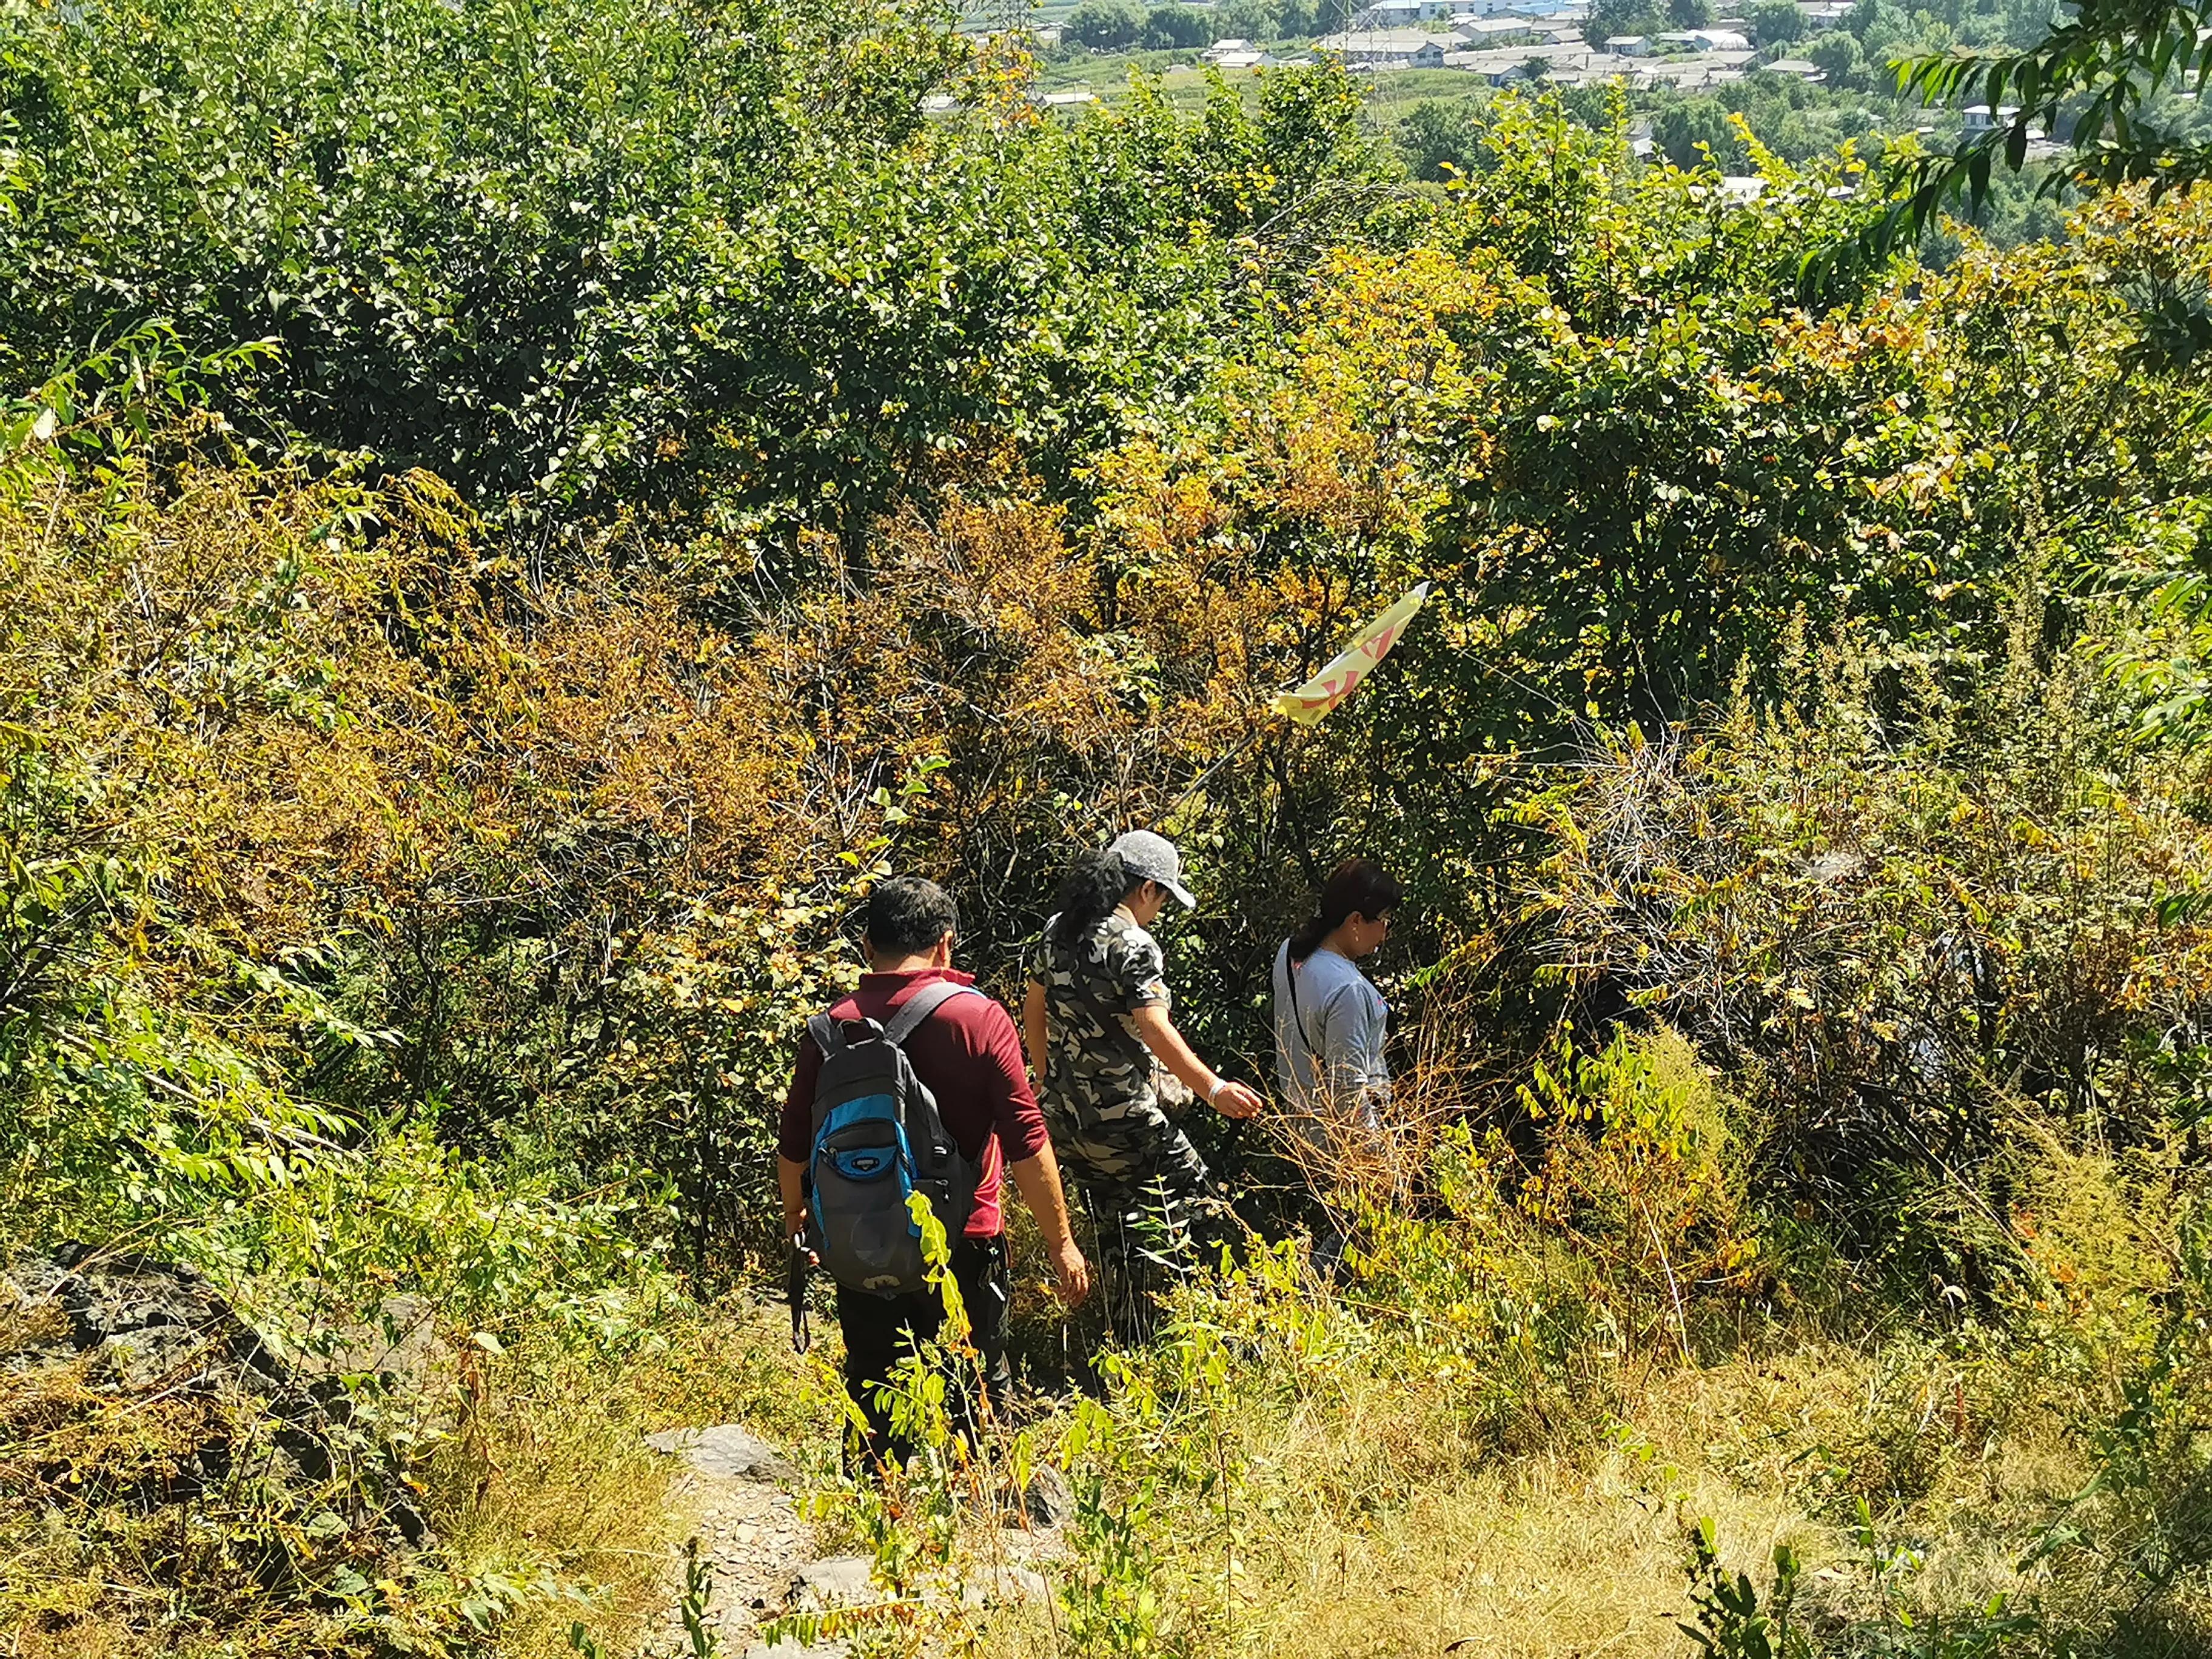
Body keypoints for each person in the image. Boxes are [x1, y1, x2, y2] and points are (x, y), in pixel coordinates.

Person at [779, 875, 1088, 1470]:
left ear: (868, 946)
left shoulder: (829, 1027)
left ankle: (876, 1511)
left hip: (859, 1237)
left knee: (874, 1381)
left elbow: (794, 1144)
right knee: (973, 1384)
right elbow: (1026, 1140)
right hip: (963, 1239)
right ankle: (983, 1523)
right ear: (946, 945)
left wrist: (803, 1225)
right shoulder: (978, 1019)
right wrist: (1063, 1245)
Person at [1024, 830, 1264, 1342]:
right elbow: (1155, 1027)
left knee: (1116, 1224)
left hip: (1067, 1121)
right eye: (1163, 898)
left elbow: (1033, 1010)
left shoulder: (1057, 930)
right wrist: (1213, 1089)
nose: (1160, 910)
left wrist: (1048, 1081)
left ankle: (1126, 1331)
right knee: (1205, 1210)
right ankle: (1237, 1332)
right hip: (1126, 1120)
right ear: (1148, 888)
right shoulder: (1134, 944)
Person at [1272, 857, 1404, 1272]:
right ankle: (1309, 1307)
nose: (1386, 932)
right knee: (1357, 1246)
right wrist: (1380, 1162)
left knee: (1340, 1232)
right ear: (1354, 921)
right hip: (1344, 1139)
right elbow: (1349, 1089)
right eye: (1383, 920)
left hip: (1302, 1122)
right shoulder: (1347, 989)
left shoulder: (1291, 956)